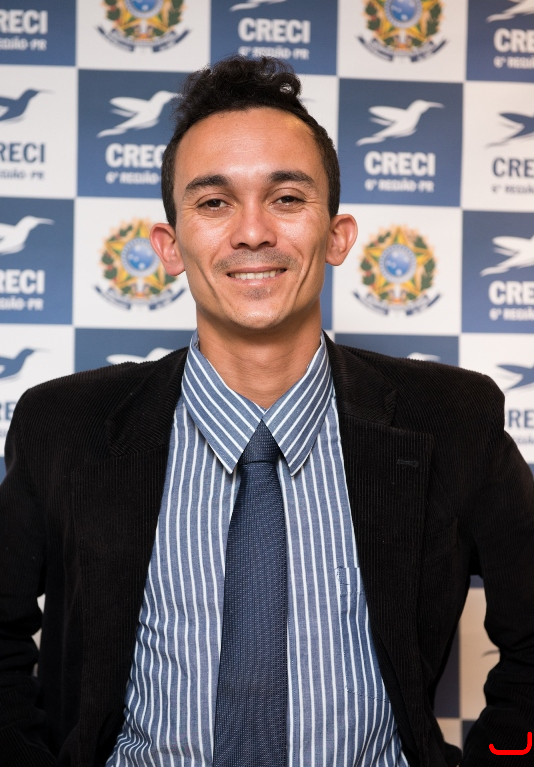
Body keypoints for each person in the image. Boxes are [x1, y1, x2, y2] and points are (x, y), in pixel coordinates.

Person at [0, 56, 533, 767]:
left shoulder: (451, 419)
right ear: (170, 246)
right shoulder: (64, 427)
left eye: (285, 198)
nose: (252, 232)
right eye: (214, 203)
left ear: (337, 235)